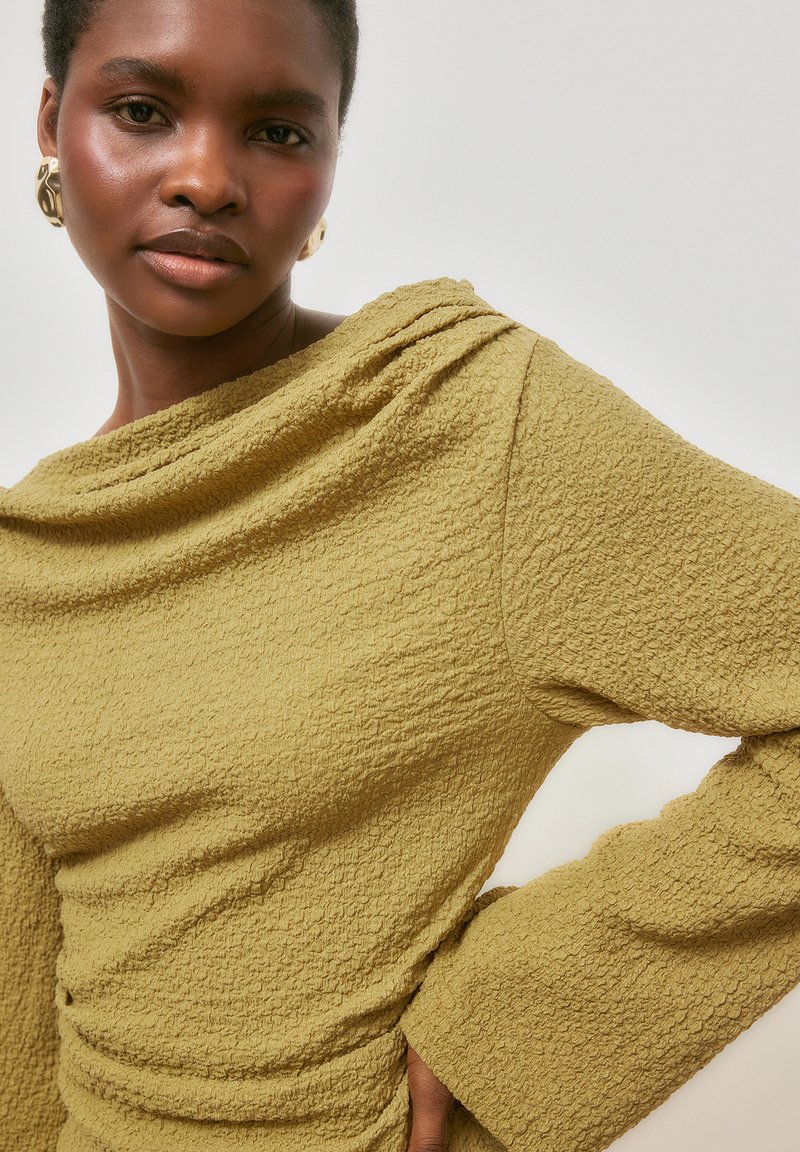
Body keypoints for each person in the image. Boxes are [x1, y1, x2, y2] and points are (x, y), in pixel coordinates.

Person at [0, 1, 798, 1150]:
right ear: (51, 123)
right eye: (141, 111)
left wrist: (522, 1021)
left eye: (277, 131)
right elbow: (21, 1014)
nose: (206, 180)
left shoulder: (464, 426)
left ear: (330, 158)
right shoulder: (34, 545)